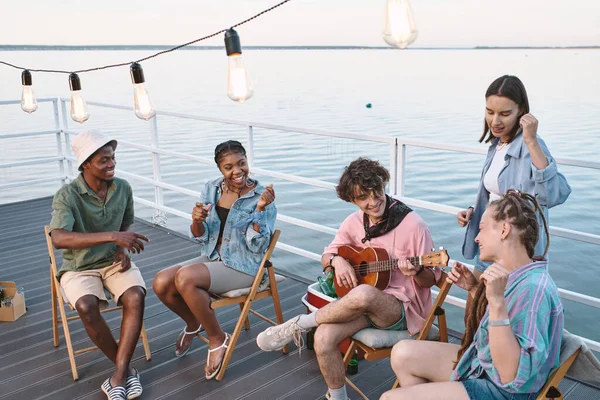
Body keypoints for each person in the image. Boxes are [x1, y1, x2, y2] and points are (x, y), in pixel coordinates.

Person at [256, 158, 442, 400]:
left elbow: (431, 280)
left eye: (377, 192)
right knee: (323, 338)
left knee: (364, 294)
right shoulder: (354, 222)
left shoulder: (413, 225)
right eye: (363, 198)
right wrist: (337, 261)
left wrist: (417, 271)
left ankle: (300, 324)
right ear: (352, 200)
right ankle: (338, 396)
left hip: (400, 311)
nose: (373, 202)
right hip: (361, 308)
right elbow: (327, 255)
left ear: (383, 185)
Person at [381, 190, 563, 400]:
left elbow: (510, 375)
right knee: (402, 354)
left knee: (390, 398)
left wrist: (495, 302)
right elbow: (505, 328)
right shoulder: (516, 275)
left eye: (482, 228)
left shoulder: (533, 290)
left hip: (503, 391)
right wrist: (475, 289)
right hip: (485, 365)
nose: (476, 237)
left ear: (504, 230)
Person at [152, 140, 276, 380]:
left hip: (244, 265)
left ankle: (217, 337)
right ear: (220, 169)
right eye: (229, 167)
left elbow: (259, 245)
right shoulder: (211, 188)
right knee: (161, 282)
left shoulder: (263, 196)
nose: (237, 171)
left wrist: (260, 210)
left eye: (241, 163)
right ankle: (193, 322)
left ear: (247, 161)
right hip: (212, 257)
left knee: (185, 279)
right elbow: (201, 236)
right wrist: (197, 220)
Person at [49, 130, 149, 400]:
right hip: (79, 266)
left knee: (136, 295)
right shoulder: (67, 195)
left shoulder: (123, 188)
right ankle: (127, 371)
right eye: (104, 160)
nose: (111, 164)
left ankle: (118, 377)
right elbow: (58, 238)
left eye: (113, 158)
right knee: (86, 306)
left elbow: (125, 223)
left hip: (113, 261)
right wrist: (113, 236)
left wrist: (119, 246)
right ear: (86, 164)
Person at [457, 75, 571, 279]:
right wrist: (475, 211)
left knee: (506, 309)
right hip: (490, 244)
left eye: (505, 113)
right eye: (490, 112)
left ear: (521, 112)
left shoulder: (531, 145)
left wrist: (531, 140)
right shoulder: (496, 145)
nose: (495, 121)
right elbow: (496, 193)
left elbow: (553, 195)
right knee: (476, 306)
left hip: (515, 252)